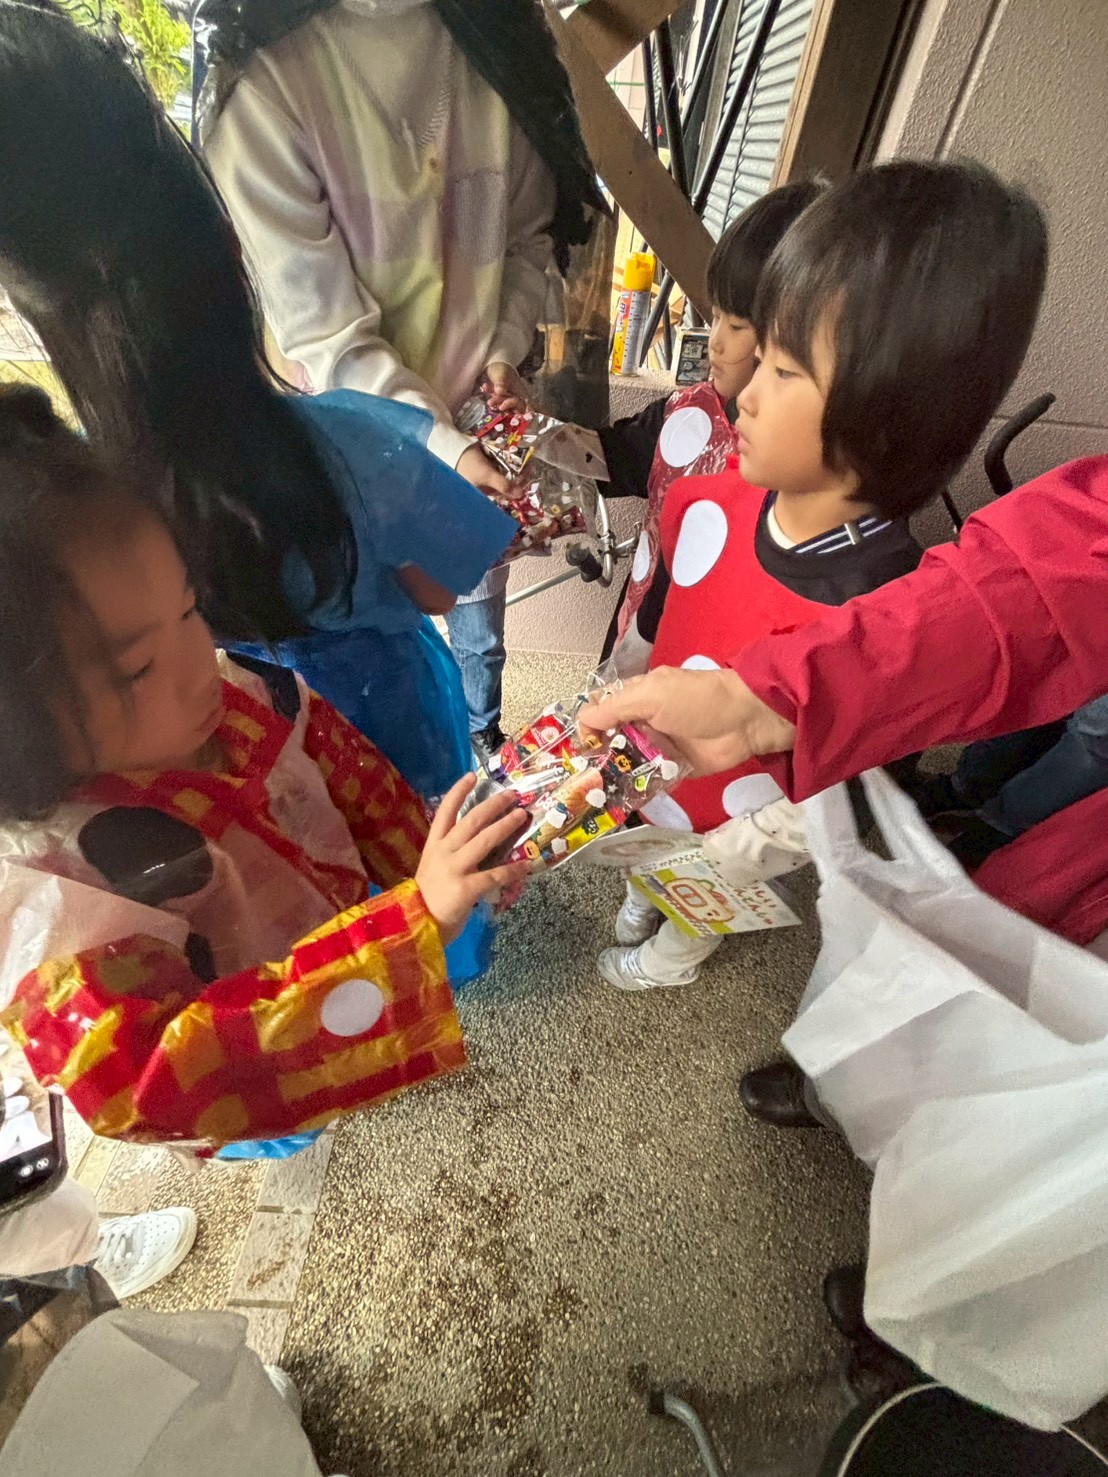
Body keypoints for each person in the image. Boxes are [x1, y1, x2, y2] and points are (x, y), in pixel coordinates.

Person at [0, 5, 515, 830]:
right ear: (231, 260)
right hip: (395, 750)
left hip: (235, 818)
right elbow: (440, 586)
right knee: (420, 866)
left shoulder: (73, 525)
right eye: (139, 667)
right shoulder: (359, 444)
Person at [0, 384, 527, 1148]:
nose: (198, 664)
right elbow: (156, 1081)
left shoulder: (247, 690)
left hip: (333, 932)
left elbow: (364, 789)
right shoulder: (49, 892)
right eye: (137, 668)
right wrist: (410, 928)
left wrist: (443, 868)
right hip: (252, 1050)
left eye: (190, 610)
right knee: (290, 1114)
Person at [595, 159, 1048, 994]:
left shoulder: (893, 613)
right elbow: (656, 619)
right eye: (759, 354)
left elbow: (854, 777)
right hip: (662, 765)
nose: (744, 393)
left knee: (702, 897)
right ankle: (638, 895)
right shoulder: (703, 500)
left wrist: (752, 844)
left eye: (783, 370)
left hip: (747, 823)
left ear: (886, 420)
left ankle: (669, 961)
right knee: (648, 845)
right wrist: (616, 686)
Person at [199, 0, 600, 759]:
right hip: (362, 449)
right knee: (388, 655)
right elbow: (328, 338)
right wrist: (441, 451)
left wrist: (500, 356)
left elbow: (528, 240)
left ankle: (479, 736)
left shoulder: (498, 46)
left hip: (471, 434)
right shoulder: (268, 92)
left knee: (469, 629)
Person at [596, 180, 827, 673]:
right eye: (714, 315)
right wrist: (537, 445)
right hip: (633, 642)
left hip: (707, 679)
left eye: (737, 326)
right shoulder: (687, 412)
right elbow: (610, 459)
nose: (715, 342)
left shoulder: (799, 476)